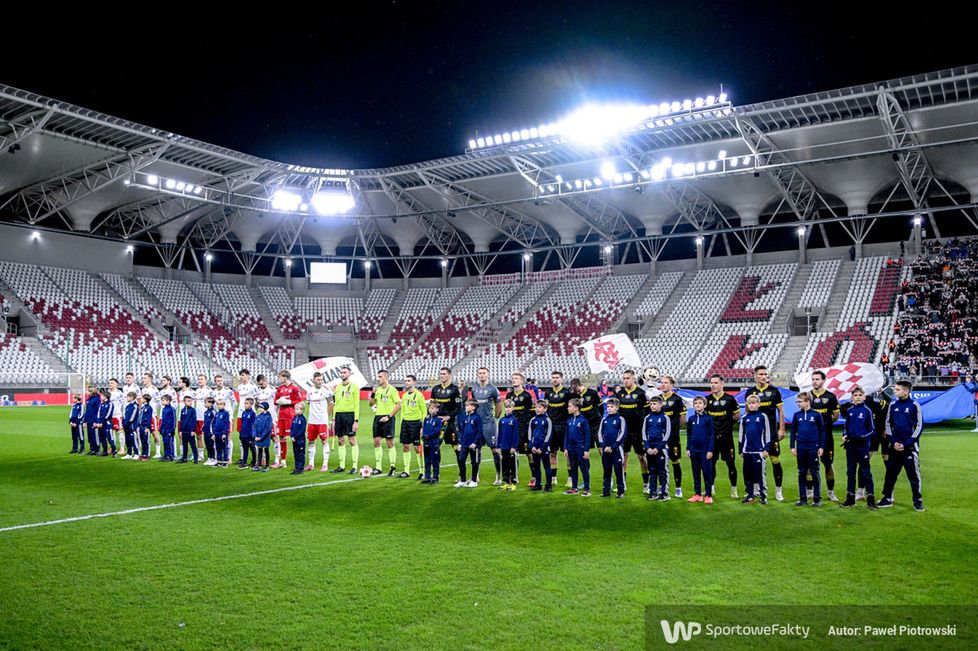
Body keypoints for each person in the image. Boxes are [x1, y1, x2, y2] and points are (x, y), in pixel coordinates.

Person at [878, 380, 924, 511]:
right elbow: (888, 424)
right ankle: (887, 498)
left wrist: (907, 443)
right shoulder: (893, 405)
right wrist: (893, 442)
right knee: (890, 474)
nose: (895, 391)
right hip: (894, 447)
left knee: (914, 476)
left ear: (906, 391)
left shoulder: (915, 405)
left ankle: (917, 501)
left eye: (897, 389)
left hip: (909, 448)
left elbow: (920, 426)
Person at [744, 366, 786, 501]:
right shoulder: (750, 392)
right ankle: (756, 489)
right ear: (755, 376)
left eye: (765, 374)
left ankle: (778, 490)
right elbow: (747, 413)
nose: (763, 376)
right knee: (755, 462)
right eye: (760, 374)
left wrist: (782, 429)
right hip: (755, 434)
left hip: (771, 432)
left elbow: (780, 411)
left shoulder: (774, 391)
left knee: (775, 460)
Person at [839, 386, 877, 509]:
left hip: (862, 447)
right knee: (850, 472)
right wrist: (845, 435)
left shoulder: (867, 411)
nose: (858, 397)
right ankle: (850, 498)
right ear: (852, 398)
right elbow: (846, 427)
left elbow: (872, 430)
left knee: (866, 472)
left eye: (860, 395)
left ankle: (871, 499)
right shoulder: (849, 411)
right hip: (850, 447)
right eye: (855, 395)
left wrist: (861, 437)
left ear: (864, 397)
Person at [705, 374, 740, 499]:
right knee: (711, 463)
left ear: (722, 384)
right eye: (711, 383)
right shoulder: (707, 400)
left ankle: (734, 489)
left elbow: (737, 416)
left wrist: (727, 425)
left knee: (730, 463)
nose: (713, 385)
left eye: (715, 383)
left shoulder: (730, 399)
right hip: (712, 439)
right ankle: (711, 487)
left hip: (726, 438)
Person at [466, 367, 502, 484]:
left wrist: (497, 415)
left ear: (488, 375)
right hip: (477, 424)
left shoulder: (493, 388)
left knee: (494, 449)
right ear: (477, 375)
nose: (482, 375)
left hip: (489, 424)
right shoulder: (474, 389)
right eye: (480, 373)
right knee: (476, 449)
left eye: (484, 373)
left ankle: (498, 476)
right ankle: (475, 476)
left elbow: (498, 403)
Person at [808, 370, 841, 502]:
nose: (814, 382)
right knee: (810, 465)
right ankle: (810, 492)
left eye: (817, 379)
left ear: (823, 380)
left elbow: (835, 416)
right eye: (813, 379)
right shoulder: (807, 397)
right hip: (810, 437)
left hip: (826, 437)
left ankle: (830, 492)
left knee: (828, 464)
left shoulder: (831, 397)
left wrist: (824, 426)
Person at [616, 370, 649, 493]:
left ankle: (646, 484)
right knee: (623, 457)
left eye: (628, 378)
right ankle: (622, 484)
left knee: (642, 457)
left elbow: (647, 413)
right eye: (624, 378)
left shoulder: (641, 393)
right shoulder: (620, 394)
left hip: (639, 431)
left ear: (633, 378)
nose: (625, 380)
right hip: (625, 432)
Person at [790, 392, 825, 507]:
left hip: (813, 447)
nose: (797, 404)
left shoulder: (816, 415)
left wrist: (821, 446)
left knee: (815, 472)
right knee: (801, 472)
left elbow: (822, 431)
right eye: (797, 402)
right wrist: (792, 446)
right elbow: (793, 432)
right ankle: (803, 498)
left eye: (799, 402)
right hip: (801, 447)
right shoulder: (796, 415)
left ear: (807, 402)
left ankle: (817, 499)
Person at [739, 395, 770, 504]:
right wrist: (741, 450)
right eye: (749, 403)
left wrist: (766, 448)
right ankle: (750, 495)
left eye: (753, 403)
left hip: (758, 451)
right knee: (747, 474)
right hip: (747, 451)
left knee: (760, 474)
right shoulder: (744, 418)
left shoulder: (762, 416)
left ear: (758, 404)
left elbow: (767, 434)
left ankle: (763, 496)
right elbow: (741, 435)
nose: (751, 405)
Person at [658, 376, 686, 498]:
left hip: (673, 437)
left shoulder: (677, 399)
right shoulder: (657, 399)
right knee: (660, 462)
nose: (663, 385)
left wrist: (674, 430)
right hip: (659, 437)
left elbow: (683, 419)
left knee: (675, 461)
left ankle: (678, 488)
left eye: (666, 383)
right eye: (662, 382)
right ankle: (662, 486)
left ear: (672, 385)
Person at [370, 370, 402, 476]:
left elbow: (398, 405)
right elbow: (371, 404)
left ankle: (392, 467)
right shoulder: (378, 390)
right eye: (378, 376)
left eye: (380, 376)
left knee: (390, 443)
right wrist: (373, 393)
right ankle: (378, 467)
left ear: (386, 378)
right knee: (376, 442)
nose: (378, 378)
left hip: (388, 417)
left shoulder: (393, 390)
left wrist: (389, 416)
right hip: (378, 417)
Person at [331, 366, 361, 474]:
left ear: (349, 374)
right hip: (339, 415)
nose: (342, 374)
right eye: (341, 372)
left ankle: (354, 466)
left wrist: (356, 420)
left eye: (344, 372)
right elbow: (336, 404)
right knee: (340, 440)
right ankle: (341, 466)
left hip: (350, 415)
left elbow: (357, 404)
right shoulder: (338, 387)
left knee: (352, 440)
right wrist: (334, 418)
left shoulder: (354, 387)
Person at [544, 371, 572, 487]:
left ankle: (570, 478)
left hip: (564, 426)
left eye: (557, 377)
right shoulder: (548, 393)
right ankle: (553, 477)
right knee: (552, 453)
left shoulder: (567, 392)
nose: (555, 379)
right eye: (553, 377)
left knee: (568, 453)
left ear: (561, 379)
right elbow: (546, 408)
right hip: (552, 427)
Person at [685, 396, 715, 504]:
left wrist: (710, 450)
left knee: (707, 473)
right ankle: (697, 494)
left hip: (705, 451)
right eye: (696, 403)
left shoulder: (708, 419)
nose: (698, 405)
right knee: (696, 473)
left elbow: (712, 435)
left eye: (700, 403)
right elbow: (689, 434)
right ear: (693, 406)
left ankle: (708, 495)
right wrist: (688, 448)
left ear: (705, 405)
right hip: (694, 450)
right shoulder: (691, 419)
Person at [508, 372, 536, 485]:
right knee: (513, 452)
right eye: (513, 378)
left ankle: (534, 476)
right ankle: (514, 477)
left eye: (517, 378)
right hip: (512, 428)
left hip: (524, 429)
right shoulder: (509, 396)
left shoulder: (527, 396)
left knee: (529, 453)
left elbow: (533, 413)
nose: (514, 380)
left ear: (522, 381)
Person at [642, 395, 671, 501]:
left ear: (660, 404)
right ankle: (652, 492)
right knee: (652, 471)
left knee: (663, 471)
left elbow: (667, 434)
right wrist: (647, 447)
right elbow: (644, 433)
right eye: (651, 404)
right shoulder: (647, 418)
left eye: (654, 404)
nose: (652, 406)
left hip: (661, 449)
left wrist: (658, 448)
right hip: (650, 449)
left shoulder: (665, 417)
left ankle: (665, 493)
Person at [397, 375, 426, 479]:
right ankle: (406, 471)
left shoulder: (419, 395)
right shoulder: (404, 395)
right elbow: (403, 410)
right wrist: (402, 422)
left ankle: (422, 472)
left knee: (417, 448)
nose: (406, 382)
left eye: (409, 381)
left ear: (414, 382)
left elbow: (424, 411)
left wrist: (423, 426)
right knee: (405, 447)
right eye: (405, 381)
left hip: (416, 423)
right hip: (405, 423)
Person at [273, 370, 303, 470]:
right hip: (281, 416)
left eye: (280, 377)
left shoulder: (294, 388)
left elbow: (299, 401)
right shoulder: (280, 388)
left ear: (285, 377)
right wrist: (278, 401)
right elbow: (275, 401)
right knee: (282, 438)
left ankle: (298, 460)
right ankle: (283, 461)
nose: (279, 379)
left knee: (294, 437)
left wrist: (288, 401)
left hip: (290, 416)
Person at [304, 372, 333, 472]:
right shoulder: (309, 391)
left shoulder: (326, 390)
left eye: (321, 379)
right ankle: (310, 464)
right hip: (312, 421)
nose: (320, 381)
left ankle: (325, 464)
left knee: (324, 441)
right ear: (313, 380)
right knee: (311, 441)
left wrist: (327, 417)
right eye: (318, 380)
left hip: (322, 421)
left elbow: (331, 404)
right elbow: (308, 403)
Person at [598, 398, 626, 498]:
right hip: (605, 450)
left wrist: (613, 447)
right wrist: (603, 446)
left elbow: (622, 434)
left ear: (617, 408)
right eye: (608, 407)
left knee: (619, 472)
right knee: (606, 471)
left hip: (617, 450)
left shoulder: (620, 419)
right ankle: (606, 491)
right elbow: (600, 434)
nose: (609, 409)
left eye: (611, 407)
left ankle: (620, 491)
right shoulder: (604, 419)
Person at [563, 398, 592, 496]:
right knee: (573, 468)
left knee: (584, 468)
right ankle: (574, 488)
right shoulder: (569, 420)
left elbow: (588, 436)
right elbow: (566, 435)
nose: (568, 408)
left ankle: (587, 489)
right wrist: (565, 448)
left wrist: (586, 450)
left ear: (576, 408)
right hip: (571, 448)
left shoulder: (583, 420)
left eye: (569, 406)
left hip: (581, 448)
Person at [430, 367, 462, 453]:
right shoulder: (435, 389)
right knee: (435, 447)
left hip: (450, 423)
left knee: (456, 447)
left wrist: (448, 416)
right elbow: (431, 406)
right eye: (441, 374)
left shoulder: (454, 389)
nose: (442, 376)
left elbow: (458, 407)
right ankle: (436, 466)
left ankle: (462, 466)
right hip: (437, 422)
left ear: (449, 375)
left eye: (444, 374)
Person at [455, 400, 483, 488]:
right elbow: (461, 431)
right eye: (465, 405)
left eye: (468, 405)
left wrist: (475, 443)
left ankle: (474, 481)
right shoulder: (465, 418)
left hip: (474, 445)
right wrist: (460, 443)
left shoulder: (477, 418)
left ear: (473, 407)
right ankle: (463, 480)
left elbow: (480, 432)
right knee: (461, 460)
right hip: (464, 444)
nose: (466, 407)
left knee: (474, 462)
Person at [529, 400, 553, 492]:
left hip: (544, 448)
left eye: (540, 407)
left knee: (547, 466)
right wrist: (532, 446)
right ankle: (538, 484)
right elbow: (530, 434)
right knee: (536, 467)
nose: (537, 409)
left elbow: (549, 435)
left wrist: (542, 448)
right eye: (536, 407)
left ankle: (548, 485)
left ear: (545, 409)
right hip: (535, 448)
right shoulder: (533, 420)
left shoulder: (547, 420)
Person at [212, 375, 237, 463]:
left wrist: (230, 413)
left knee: (228, 436)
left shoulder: (228, 391)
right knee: (217, 437)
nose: (220, 382)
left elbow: (235, 403)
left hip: (227, 417)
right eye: (218, 381)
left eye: (221, 380)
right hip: (218, 418)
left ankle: (229, 458)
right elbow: (214, 405)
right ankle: (218, 458)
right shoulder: (213, 392)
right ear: (215, 382)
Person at [497, 399, 520, 490]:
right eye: (506, 407)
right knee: (505, 464)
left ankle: (513, 482)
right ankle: (506, 481)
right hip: (503, 447)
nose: (507, 409)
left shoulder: (514, 420)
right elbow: (499, 434)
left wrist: (514, 446)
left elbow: (515, 435)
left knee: (512, 464)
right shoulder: (501, 420)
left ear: (513, 408)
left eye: (509, 407)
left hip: (511, 447)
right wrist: (498, 446)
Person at [140, 373, 162, 458]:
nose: (143, 380)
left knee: (155, 433)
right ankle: (145, 451)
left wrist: (153, 410)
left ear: (150, 379)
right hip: (145, 415)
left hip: (152, 415)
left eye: (145, 378)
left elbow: (159, 403)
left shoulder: (154, 389)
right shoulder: (143, 389)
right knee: (145, 434)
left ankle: (158, 452)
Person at [420, 402, 443, 484]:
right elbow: (424, 428)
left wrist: (428, 436)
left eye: (432, 408)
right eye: (429, 408)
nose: (430, 409)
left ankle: (435, 477)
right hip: (426, 441)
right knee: (427, 460)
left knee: (435, 460)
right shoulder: (426, 419)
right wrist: (423, 436)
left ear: (437, 409)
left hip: (434, 442)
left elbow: (437, 431)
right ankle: (427, 477)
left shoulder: (438, 420)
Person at [193, 374, 213, 461]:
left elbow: (213, 403)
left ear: (206, 381)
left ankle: (212, 455)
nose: (200, 381)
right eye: (199, 379)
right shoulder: (196, 391)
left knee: (208, 436)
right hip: (197, 416)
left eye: (201, 379)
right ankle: (200, 455)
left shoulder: (209, 391)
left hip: (206, 417)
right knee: (198, 436)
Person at [177, 395, 199, 464]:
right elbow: (181, 421)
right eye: (188, 401)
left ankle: (196, 459)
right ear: (184, 402)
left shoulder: (192, 410)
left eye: (191, 401)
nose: (190, 403)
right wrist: (180, 430)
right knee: (185, 445)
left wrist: (193, 430)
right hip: (184, 431)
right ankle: (184, 458)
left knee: (193, 445)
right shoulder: (182, 410)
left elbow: (194, 420)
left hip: (190, 431)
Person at [253, 402, 273, 472]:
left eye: (261, 407)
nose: (259, 409)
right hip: (258, 437)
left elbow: (267, 429)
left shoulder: (268, 417)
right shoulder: (258, 416)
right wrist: (255, 435)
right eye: (259, 407)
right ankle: (258, 464)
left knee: (266, 450)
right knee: (259, 451)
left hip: (265, 438)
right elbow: (254, 426)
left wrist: (261, 437)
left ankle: (266, 465)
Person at [238, 397, 257, 469]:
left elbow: (254, 425)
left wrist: (253, 435)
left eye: (247, 403)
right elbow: (243, 424)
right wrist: (241, 433)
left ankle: (254, 461)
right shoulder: (244, 413)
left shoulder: (253, 414)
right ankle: (244, 462)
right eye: (245, 403)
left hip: (249, 435)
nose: (245, 405)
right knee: (245, 449)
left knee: (252, 449)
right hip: (243, 434)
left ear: (251, 404)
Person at [212, 398, 231, 468]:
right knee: (218, 447)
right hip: (216, 433)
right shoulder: (217, 414)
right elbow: (214, 424)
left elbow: (226, 424)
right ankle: (219, 461)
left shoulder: (226, 413)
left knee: (224, 448)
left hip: (222, 434)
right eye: (218, 404)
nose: (219, 406)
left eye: (221, 404)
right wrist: (214, 433)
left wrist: (224, 433)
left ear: (224, 405)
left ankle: (225, 462)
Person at [289, 402, 307, 475]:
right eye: (295, 409)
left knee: (301, 454)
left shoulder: (303, 419)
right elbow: (292, 428)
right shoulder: (294, 418)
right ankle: (296, 468)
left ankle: (300, 468)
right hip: (294, 440)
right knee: (296, 454)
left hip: (300, 440)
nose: (295, 411)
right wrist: (292, 435)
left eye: (297, 409)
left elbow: (302, 431)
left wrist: (295, 437)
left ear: (302, 410)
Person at [107, 378, 124, 454]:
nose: (110, 384)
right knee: (111, 432)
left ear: (116, 384)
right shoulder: (107, 393)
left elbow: (123, 404)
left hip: (117, 415)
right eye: (109, 383)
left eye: (112, 383)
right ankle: (112, 447)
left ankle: (122, 448)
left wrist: (122, 414)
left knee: (119, 431)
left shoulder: (119, 393)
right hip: (109, 416)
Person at [97, 390, 115, 456]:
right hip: (100, 424)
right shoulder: (102, 404)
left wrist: (102, 422)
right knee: (102, 438)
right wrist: (98, 422)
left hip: (107, 423)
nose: (101, 397)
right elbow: (98, 414)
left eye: (102, 396)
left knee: (110, 438)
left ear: (105, 396)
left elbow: (108, 414)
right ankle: (105, 451)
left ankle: (114, 451)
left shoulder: (110, 403)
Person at [159, 394, 176, 462]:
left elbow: (174, 419)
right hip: (164, 429)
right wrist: (161, 428)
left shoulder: (171, 409)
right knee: (165, 442)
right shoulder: (163, 409)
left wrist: (172, 429)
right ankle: (166, 455)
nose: (162, 402)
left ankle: (171, 455)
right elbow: (163, 420)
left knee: (169, 442)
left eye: (163, 400)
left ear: (168, 401)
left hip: (169, 429)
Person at [83, 386, 100, 455]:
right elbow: (87, 411)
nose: (86, 392)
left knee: (95, 435)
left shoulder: (97, 399)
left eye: (87, 390)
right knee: (90, 436)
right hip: (89, 420)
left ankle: (97, 450)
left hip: (94, 420)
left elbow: (98, 410)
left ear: (91, 391)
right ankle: (92, 449)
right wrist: (85, 421)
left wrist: (96, 421)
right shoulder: (88, 400)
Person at [138, 393, 154, 460]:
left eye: (142, 398)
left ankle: (147, 455)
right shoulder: (143, 407)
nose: (140, 399)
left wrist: (147, 427)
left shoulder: (149, 408)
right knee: (142, 441)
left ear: (145, 399)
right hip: (141, 426)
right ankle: (143, 454)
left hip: (145, 427)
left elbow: (149, 418)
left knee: (146, 441)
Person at [122, 392, 139, 459]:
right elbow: (124, 415)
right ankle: (129, 453)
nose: (127, 398)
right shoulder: (128, 406)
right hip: (126, 426)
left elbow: (132, 417)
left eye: (128, 397)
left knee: (134, 440)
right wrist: (123, 423)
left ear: (132, 397)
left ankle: (136, 453)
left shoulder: (135, 406)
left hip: (132, 426)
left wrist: (126, 423)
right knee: (127, 440)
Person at [202, 397, 217, 466]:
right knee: (207, 445)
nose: (205, 404)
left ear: (211, 404)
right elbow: (205, 422)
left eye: (206, 402)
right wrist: (203, 428)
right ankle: (209, 457)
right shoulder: (206, 412)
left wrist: (214, 432)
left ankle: (213, 458)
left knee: (211, 445)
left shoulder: (213, 412)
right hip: (206, 431)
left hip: (211, 432)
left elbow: (215, 422)